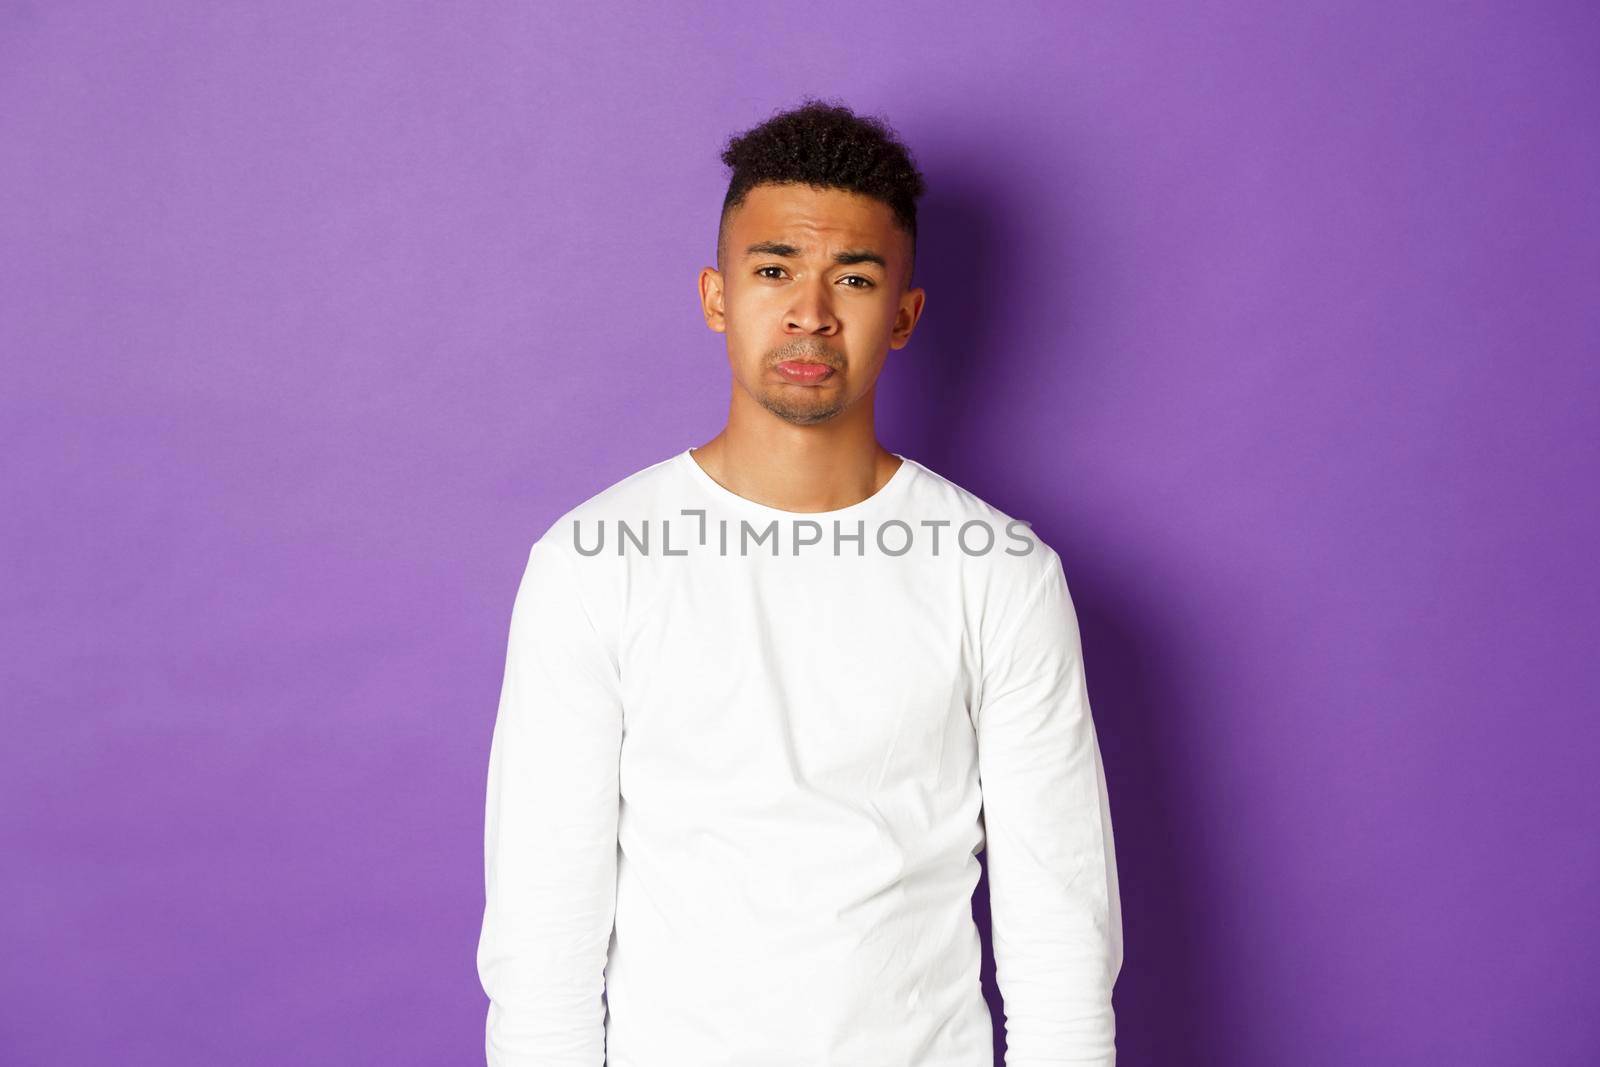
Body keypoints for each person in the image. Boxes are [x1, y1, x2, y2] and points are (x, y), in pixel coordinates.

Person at [476, 97, 1123, 1067]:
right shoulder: (593, 558)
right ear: (716, 297)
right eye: (774, 269)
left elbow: (1060, 921)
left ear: (902, 314)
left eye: (852, 278)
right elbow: (543, 927)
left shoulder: (1000, 572)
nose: (809, 312)